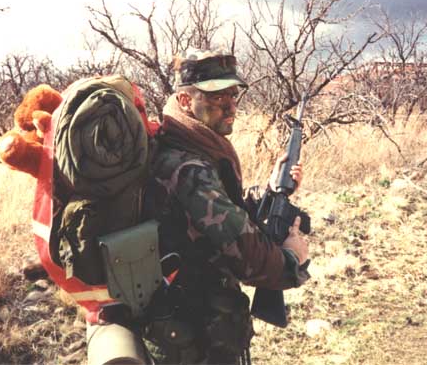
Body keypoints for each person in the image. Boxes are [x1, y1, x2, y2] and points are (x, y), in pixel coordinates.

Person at [86, 49, 310, 365]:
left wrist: (270, 191)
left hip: (188, 330)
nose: (231, 105)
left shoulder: (183, 147)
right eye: (217, 97)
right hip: (198, 337)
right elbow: (247, 256)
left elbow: (215, 216)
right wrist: (291, 259)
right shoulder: (188, 168)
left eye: (233, 94)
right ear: (185, 101)